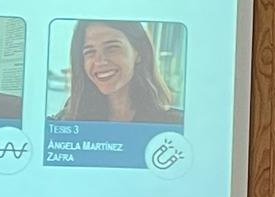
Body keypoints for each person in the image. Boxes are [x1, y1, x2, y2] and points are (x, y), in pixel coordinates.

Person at [53, 19, 183, 125]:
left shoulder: (175, 124)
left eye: (112, 48)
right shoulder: (66, 122)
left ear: (139, 52)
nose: (100, 61)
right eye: (90, 52)